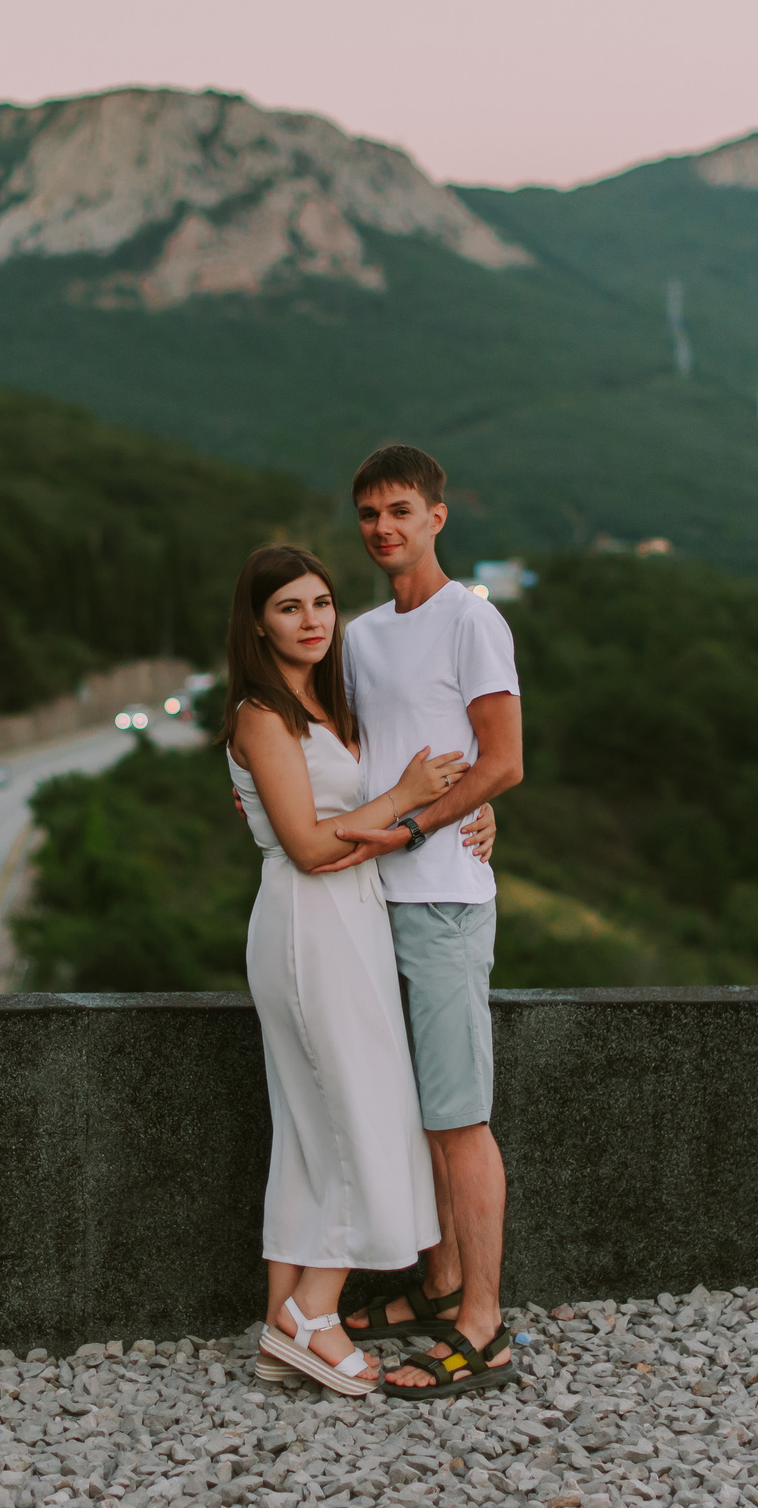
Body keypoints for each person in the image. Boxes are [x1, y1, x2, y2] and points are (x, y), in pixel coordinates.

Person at [222, 543, 467, 1397]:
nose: (312, 620)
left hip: (351, 916)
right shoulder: (261, 713)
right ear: (259, 623)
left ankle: (278, 1327)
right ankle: (313, 1310)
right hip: (308, 920)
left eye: (322, 602)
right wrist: (405, 797)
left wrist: (465, 813)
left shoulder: (323, 704)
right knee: (359, 1112)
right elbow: (307, 844)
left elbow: (362, 816)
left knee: (309, 1128)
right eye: (289, 607)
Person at [324, 443, 525, 1399]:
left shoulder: (471, 619)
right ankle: (440, 1281)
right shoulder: (359, 636)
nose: (383, 527)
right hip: (368, 901)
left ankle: (483, 1327)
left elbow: (503, 760)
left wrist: (419, 823)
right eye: (370, 513)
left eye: (400, 510)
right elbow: (354, 751)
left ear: (437, 515)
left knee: (458, 1117)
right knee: (411, 1115)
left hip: (443, 898)